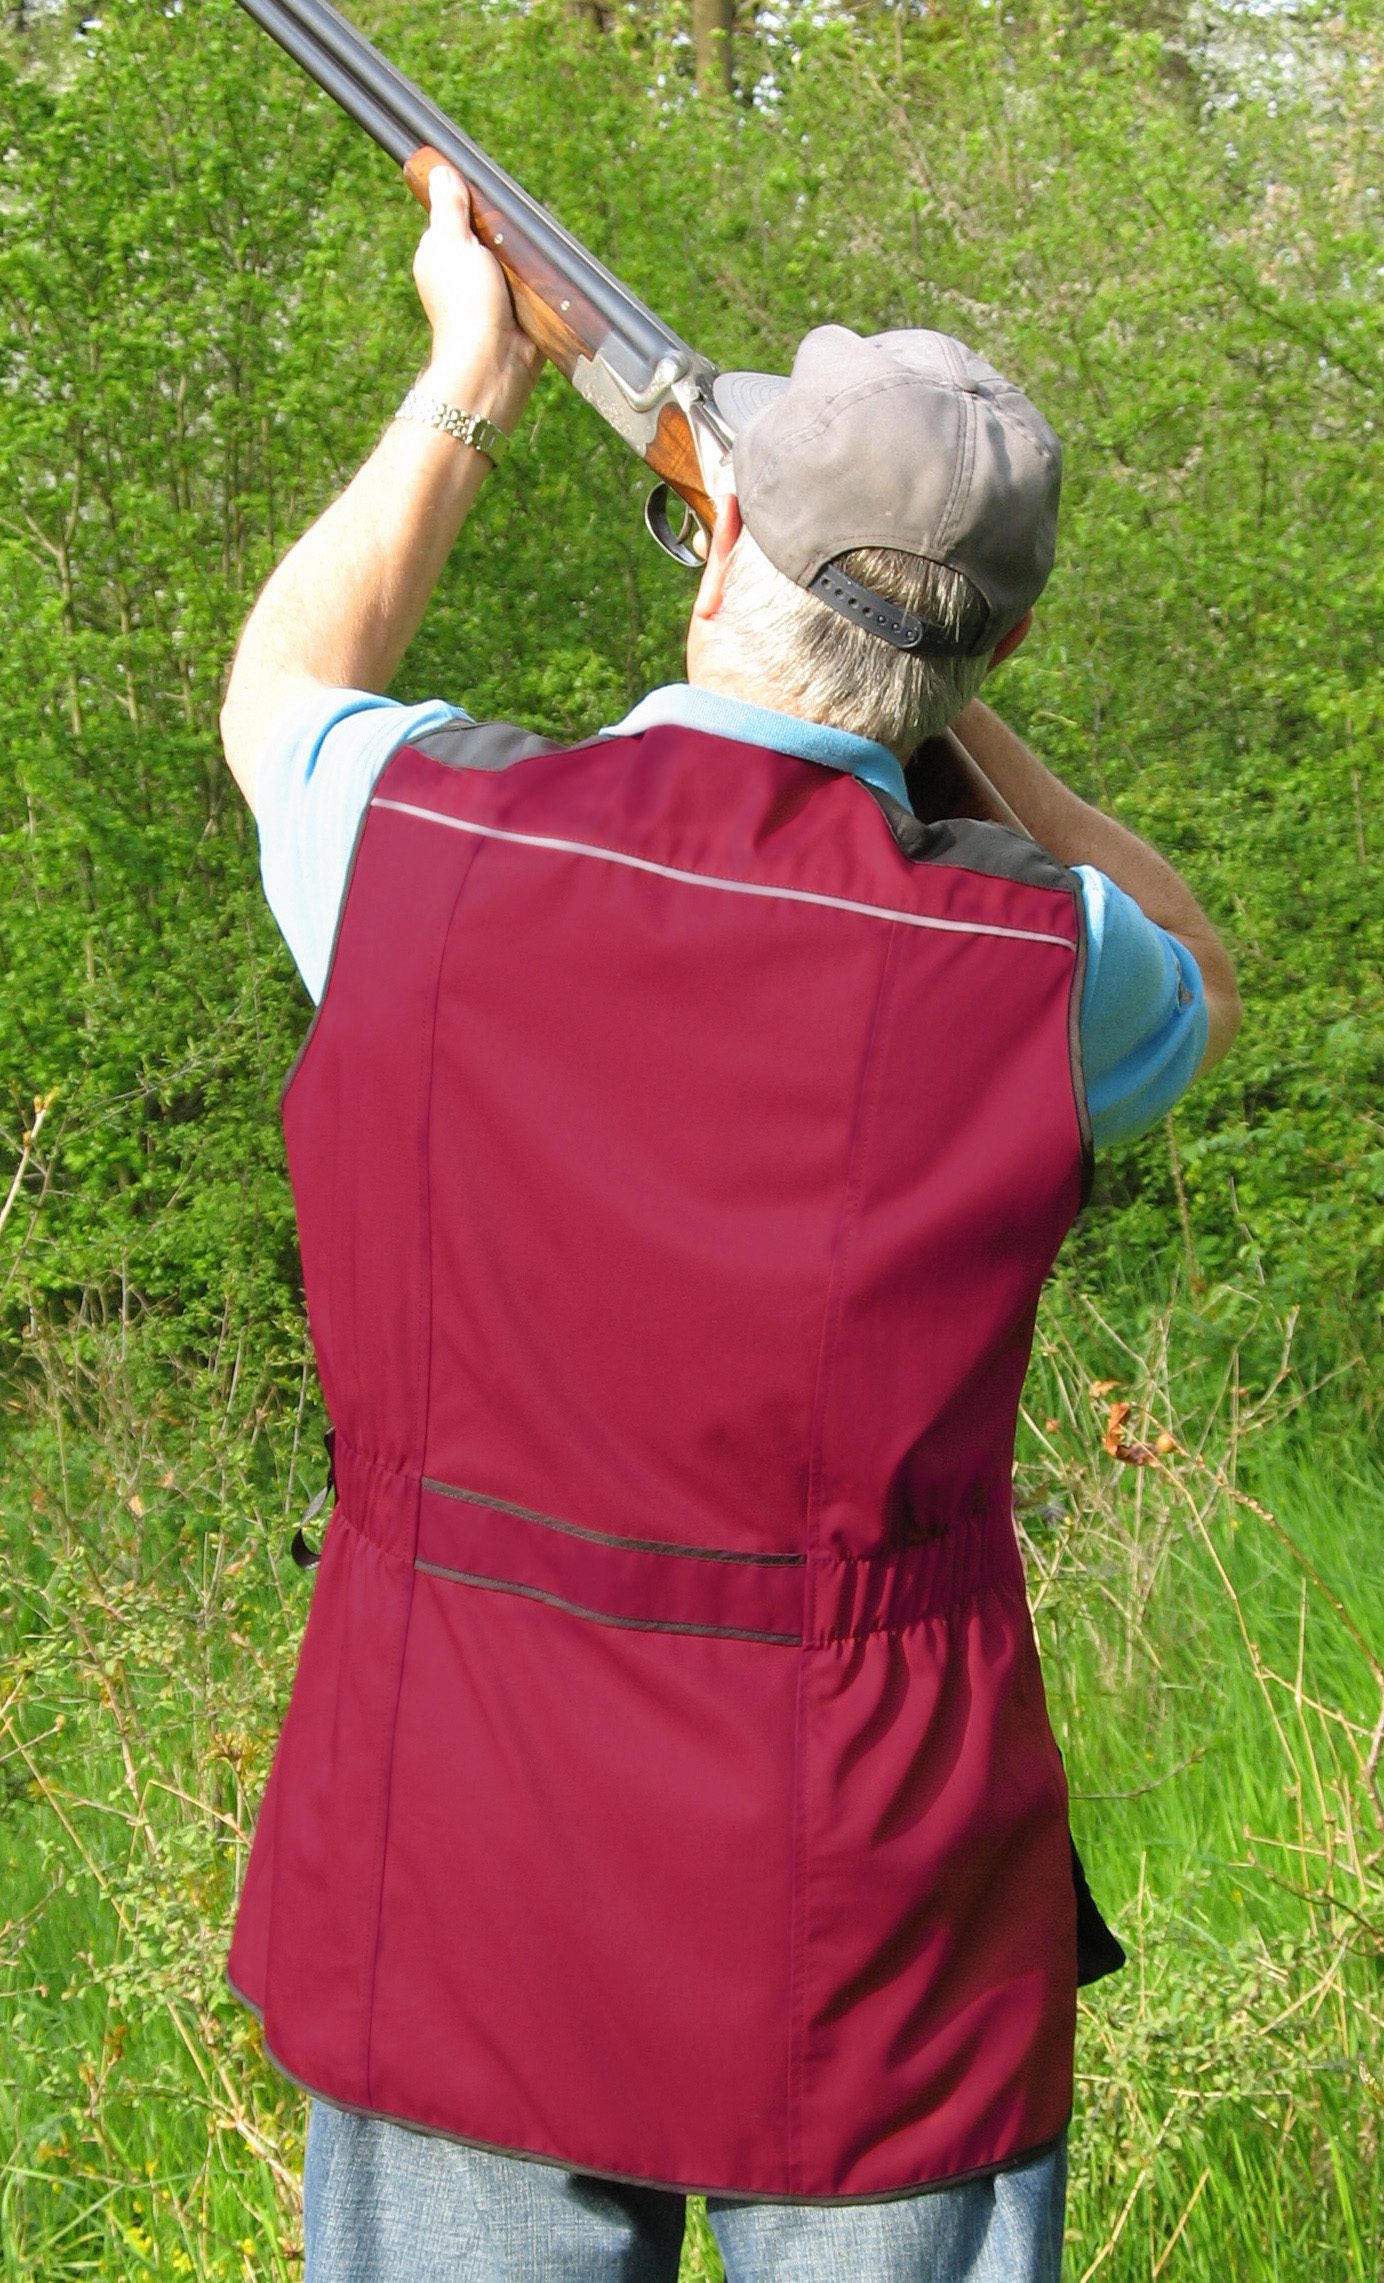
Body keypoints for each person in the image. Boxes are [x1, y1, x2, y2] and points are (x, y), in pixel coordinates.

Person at [219, 166, 1240, 2283]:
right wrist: (934, 678)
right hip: (874, 1896)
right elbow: (1191, 962)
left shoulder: (416, 841)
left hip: (465, 1851)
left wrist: (464, 384)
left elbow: (279, 682)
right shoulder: (1044, 970)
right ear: (998, 649)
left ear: (715, 559)